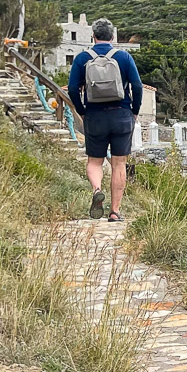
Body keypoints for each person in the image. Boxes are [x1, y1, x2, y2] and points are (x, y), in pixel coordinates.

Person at [68, 18, 143, 222]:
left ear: (93, 36)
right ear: (112, 37)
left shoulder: (82, 58)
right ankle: (115, 211)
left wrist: (82, 111)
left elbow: (73, 88)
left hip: (94, 116)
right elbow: (137, 87)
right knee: (119, 164)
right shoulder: (124, 57)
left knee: (94, 161)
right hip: (121, 115)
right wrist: (134, 111)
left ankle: (96, 189)